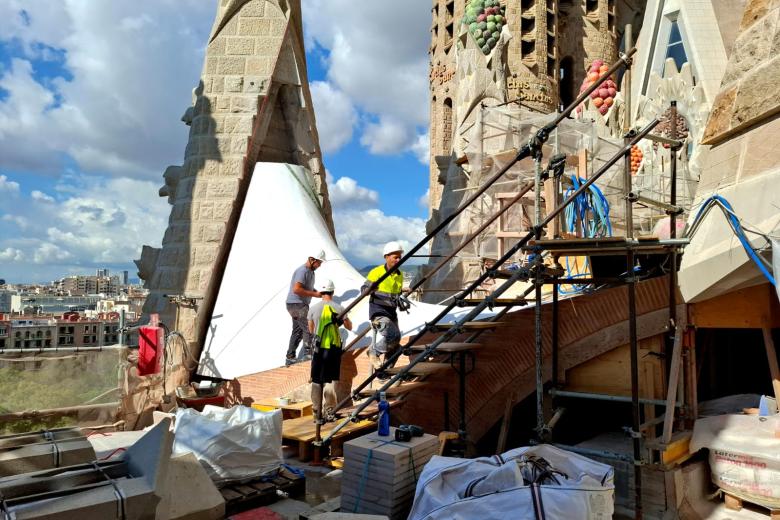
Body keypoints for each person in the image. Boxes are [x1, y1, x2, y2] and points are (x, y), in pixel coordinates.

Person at [308, 279, 352, 422]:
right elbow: (349, 327)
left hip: (318, 349)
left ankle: (316, 411)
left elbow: (311, 329)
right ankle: (329, 410)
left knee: (316, 380)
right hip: (333, 348)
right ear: (333, 292)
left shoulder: (313, 308)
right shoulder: (339, 308)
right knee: (330, 380)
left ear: (321, 292)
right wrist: (345, 318)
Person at [362, 241, 408, 379]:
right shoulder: (377, 272)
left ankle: (383, 372)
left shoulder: (399, 274)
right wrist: (370, 289)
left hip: (391, 311)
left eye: (400, 257)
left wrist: (402, 290)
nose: (398, 260)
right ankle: (373, 352)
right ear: (386, 257)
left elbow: (394, 290)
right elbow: (364, 290)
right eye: (395, 257)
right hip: (378, 310)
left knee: (397, 346)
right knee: (392, 336)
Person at [285, 250, 325, 365]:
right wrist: (314, 294)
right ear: (312, 260)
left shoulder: (311, 272)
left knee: (297, 331)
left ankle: (290, 357)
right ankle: (308, 355)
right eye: (319, 262)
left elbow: (307, 288)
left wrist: (319, 293)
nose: (320, 265)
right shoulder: (302, 271)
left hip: (296, 304)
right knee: (308, 327)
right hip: (296, 304)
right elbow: (297, 289)